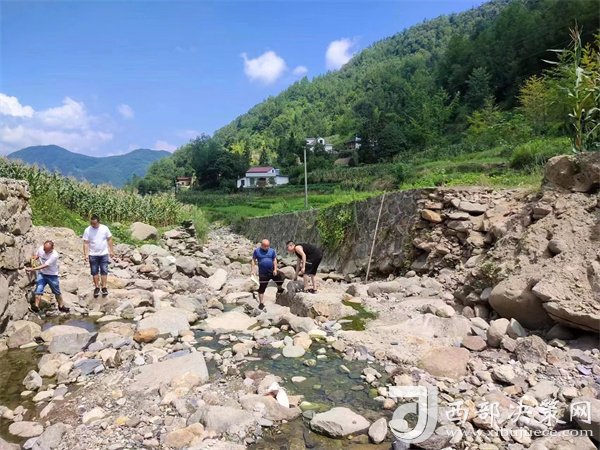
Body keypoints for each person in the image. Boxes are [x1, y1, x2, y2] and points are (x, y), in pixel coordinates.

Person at [25, 240, 70, 313]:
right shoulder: (41, 249)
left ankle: (61, 306)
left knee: (56, 292)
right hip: (42, 274)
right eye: (44, 249)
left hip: (52, 275)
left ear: (52, 249)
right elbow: (37, 255)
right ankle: (36, 307)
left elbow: (45, 265)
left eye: (47, 250)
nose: (45, 251)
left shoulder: (54, 255)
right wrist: (34, 258)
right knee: (38, 289)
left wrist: (32, 269)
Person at [83, 214, 114, 298]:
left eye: (94, 224)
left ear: (98, 222)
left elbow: (109, 239)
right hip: (93, 254)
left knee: (104, 270)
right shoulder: (87, 230)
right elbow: (86, 243)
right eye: (91, 223)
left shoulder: (104, 228)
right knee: (94, 271)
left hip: (103, 253)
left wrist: (111, 250)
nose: (93, 225)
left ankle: (104, 287)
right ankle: (97, 287)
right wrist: (86, 254)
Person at [251, 239, 284, 310]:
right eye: (265, 246)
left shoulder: (272, 251)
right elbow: (253, 260)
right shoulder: (257, 251)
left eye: (268, 246)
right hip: (263, 272)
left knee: (280, 278)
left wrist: (275, 269)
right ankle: (261, 303)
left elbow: (274, 259)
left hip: (272, 270)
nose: (267, 247)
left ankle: (279, 288)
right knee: (262, 287)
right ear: (262, 245)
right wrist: (253, 270)